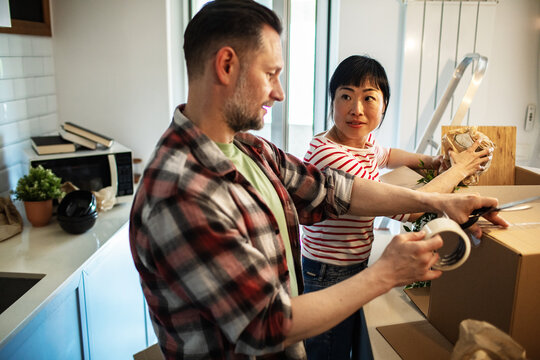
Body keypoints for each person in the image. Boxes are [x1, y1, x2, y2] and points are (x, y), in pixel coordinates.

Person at [129, 1, 507, 359]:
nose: (279, 92)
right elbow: (267, 324)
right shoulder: (180, 192)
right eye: (271, 74)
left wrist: (441, 202)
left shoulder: (249, 149)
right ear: (226, 65)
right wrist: (387, 272)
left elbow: (331, 191)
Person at [301, 55, 493, 360]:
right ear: (332, 101)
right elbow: (409, 211)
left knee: (343, 342)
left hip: (349, 261)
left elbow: (387, 154)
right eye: (346, 96)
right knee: (328, 350)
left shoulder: (361, 141)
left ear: (384, 105)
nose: (356, 109)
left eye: (369, 98)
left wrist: (429, 162)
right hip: (329, 271)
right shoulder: (331, 156)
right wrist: (458, 169)